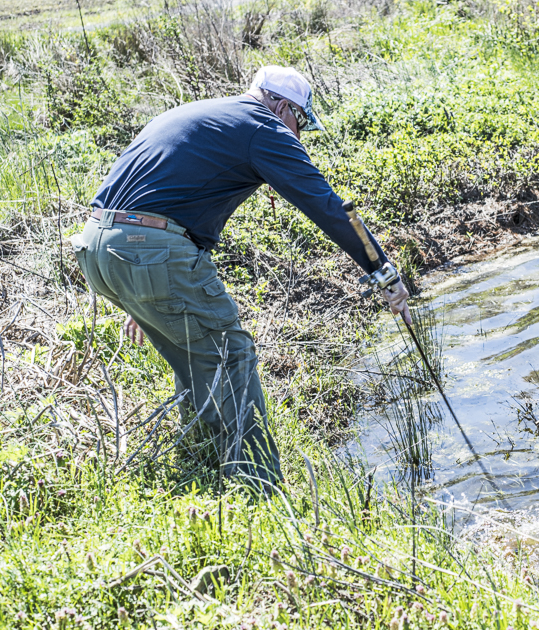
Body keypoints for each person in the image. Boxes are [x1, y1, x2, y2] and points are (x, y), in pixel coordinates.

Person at [72, 65, 411, 493]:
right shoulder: (262, 127)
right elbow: (326, 205)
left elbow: (157, 192)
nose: (298, 134)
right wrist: (382, 271)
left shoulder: (203, 112)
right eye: (301, 121)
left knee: (194, 354)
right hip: (146, 250)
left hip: (97, 247)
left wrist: (141, 291)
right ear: (282, 106)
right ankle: (260, 489)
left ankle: (205, 461)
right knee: (232, 356)